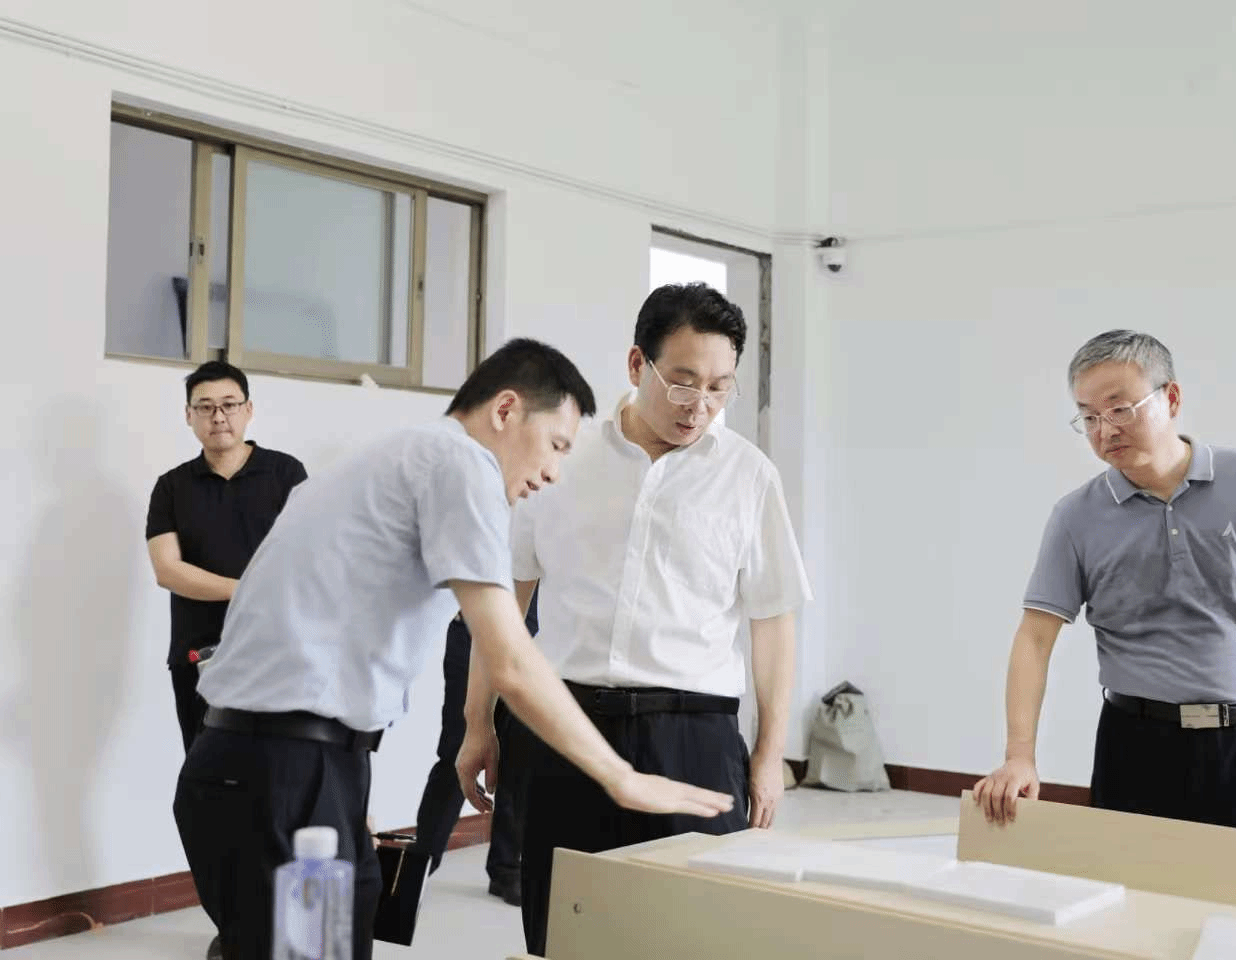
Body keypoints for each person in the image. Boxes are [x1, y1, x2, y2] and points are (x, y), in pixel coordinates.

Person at [172, 338, 734, 960]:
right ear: (506, 410)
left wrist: (340, 785)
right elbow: (512, 660)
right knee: (310, 952)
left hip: (283, 766)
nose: (553, 473)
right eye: (556, 445)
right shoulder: (458, 463)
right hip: (281, 770)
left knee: (329, 940)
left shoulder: (396, 457)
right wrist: (621, 777)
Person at [459, 283, 812, 956]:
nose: (698, 405)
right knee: (563, 930)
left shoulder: (749, 477)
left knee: (692, 934)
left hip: (693, 735)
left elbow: (772, 623)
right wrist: (478, 722)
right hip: (563, 728)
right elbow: (506, 604)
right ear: (635, 364)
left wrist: (769, 754)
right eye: (682, 382)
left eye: (719, 388)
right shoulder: (563, 460)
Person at [972, 329, 1236, 835]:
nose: (1104, 431)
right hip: (1134, 747)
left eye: (1119, 409)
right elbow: (1034, 638)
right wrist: (1019, 755)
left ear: (1171, 398)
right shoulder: (1076, 517)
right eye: (1089, 417)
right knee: (1127, 883)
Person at [146, 361, 308, 755]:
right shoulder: (171, 487)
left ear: (248, 410)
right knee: (206, 771)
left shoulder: (286, 473)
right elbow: (167, 570)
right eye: (205, 407)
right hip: (199, 654)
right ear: (189, 415)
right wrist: (245, 589)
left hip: (278, 648)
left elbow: (309, 555)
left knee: (279, 769)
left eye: (229, 404)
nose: (218, 416)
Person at [410, 592, 537, 905]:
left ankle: (506, 868)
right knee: (457, 752)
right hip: (476, 637)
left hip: (534, 644)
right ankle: (418, 865)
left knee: (519, 757)